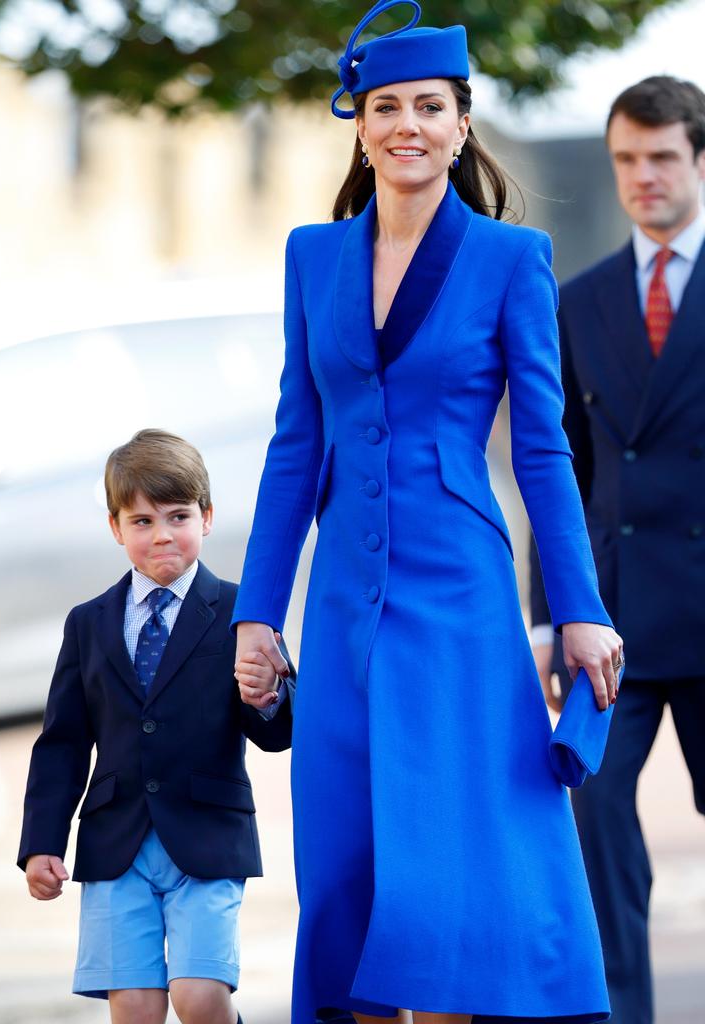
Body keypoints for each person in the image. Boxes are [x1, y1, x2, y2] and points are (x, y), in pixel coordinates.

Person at [231, 2, 623, 1022]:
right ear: (359, 123)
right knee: (350, 869)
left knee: (450, 883)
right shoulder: (312, 257)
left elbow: (542, 450)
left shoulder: (510, 260)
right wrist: (257, 614)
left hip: (459, 596)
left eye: (430, 107)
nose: (407, 123)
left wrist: (578, 606)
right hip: (347, 604)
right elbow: (293, 445)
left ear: (461, 124)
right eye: (387, 105)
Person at [529, 75, 705, 1024]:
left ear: (699, 161)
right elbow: (554, 464)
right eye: (626, 160)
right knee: (591, 811)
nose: (642, 178)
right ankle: (621, 1011)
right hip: (613, 620)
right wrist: (552, 613)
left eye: (662, 158)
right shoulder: (580, 298)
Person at [18, 428, 294, 1024]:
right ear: (116, 528)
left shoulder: (243, 611)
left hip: (208, 836)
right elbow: (62, 742)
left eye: (177, 515)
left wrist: (268, 693)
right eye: (141, 521)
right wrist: (42, 840)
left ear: (208, 516)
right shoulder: (88, 623)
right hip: (115, 843)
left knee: (198, 997)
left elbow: (278, 733)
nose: (162, 534)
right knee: (137, 1009)